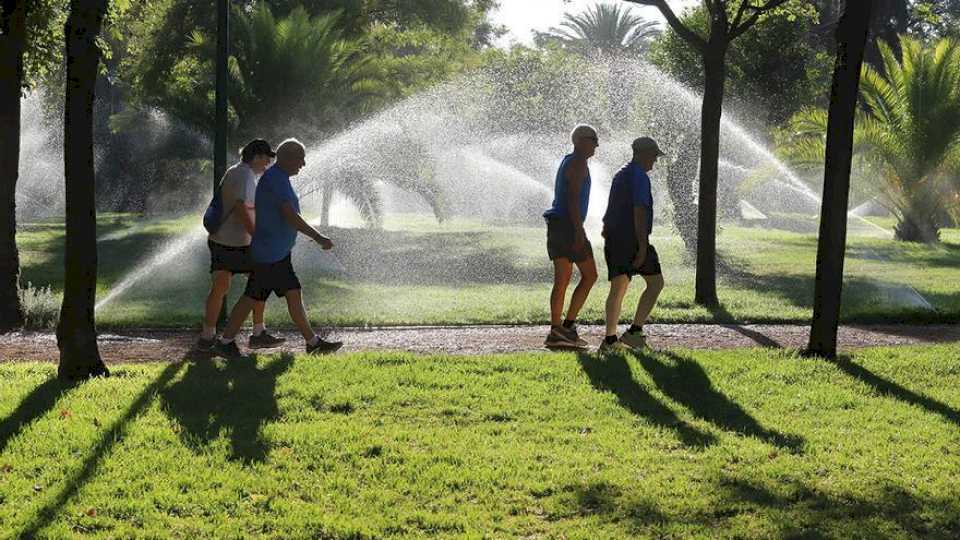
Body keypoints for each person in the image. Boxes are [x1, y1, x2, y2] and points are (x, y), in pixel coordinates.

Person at [214, 138, 343, 357]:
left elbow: (287, 214)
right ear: (287, 158)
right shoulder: (275, 179)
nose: (303, 163)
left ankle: (312, 342)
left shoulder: (278, 178)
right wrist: (318, 236)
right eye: (300, 158)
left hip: (275, 253)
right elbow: (290, 215)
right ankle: (226, 342)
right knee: (253, 298)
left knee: (288, 294)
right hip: (269, 255)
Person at [197, 139, 285, 351]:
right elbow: (240, 207)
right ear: (256, 156)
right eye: (266, 158)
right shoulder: (245, 175)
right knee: (260, 281)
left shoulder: (234, 171)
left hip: (220, 240)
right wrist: (257, 235)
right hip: (238, 243)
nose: (268, 163)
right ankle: (258, 333)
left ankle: (207, 337)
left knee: (219, 287)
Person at [599, 137, 666, 353]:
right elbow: (639, 211)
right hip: (631, 241)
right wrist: (643, 246)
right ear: (643, 154)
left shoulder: (622, 173)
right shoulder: (639, 176)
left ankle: (612, 340)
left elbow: (612, 208)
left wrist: (607, 227)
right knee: (655, 283)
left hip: (616, 239)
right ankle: (633, 333)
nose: (655, 161)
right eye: (654, 156)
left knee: (619, 288)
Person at [542, 125, 599, 348]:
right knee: (589, 275)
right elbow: (573, 199)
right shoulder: (578, 162)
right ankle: (563, 328)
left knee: (564, 279)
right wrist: (579, 231)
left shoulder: (570, 160)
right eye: (593, 139)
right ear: (579, 140)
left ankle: (560, 329)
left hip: (559, 225)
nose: (596, 144)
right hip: (567, 226)